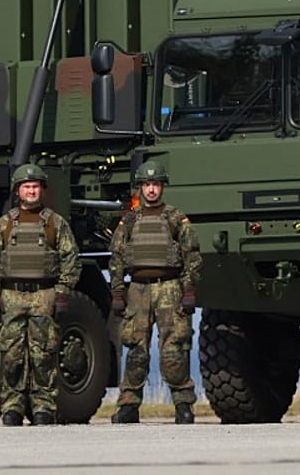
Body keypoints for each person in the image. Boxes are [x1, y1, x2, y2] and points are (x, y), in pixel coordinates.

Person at [0, 162, 80, 426]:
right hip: (11, 296)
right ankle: (12, 407)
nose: (31, 191)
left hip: (43, 296)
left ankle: (43, 407)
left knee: (43, 355)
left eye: (35, 186)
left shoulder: (55, 224)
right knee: (12, 356)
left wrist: (62, 293)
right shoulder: (4, 225)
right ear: (18, 191)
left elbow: (71, 259)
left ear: (42, 190)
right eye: (27, 187)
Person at [109, 158, 201, 424]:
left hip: (169, 288)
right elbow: (115, 256)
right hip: (137, 289)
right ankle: (128, 405)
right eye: (147, 184)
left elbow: (192, 256)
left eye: (155, 184)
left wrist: (189, 289)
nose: (151, 190)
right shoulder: (129, 220)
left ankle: (183, 404)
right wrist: (117, 290)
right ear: (140, 187)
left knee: (174, 347)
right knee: (135, 348)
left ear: (162, 187)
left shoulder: (175, 218)